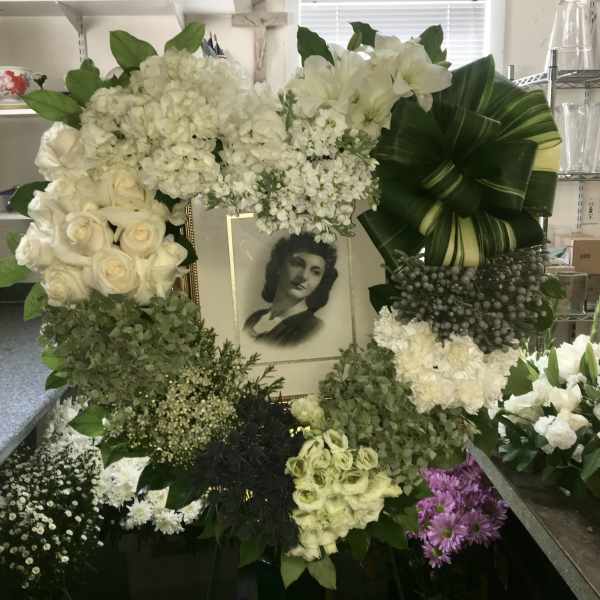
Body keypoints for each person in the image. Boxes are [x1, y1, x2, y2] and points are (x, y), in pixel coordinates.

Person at [243, 234, 338, 346]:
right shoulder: (254, 318)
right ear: (279, 266)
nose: (304, 276)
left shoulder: (312, 329)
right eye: (297, 264)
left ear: (321, 281)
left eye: (315, 272)